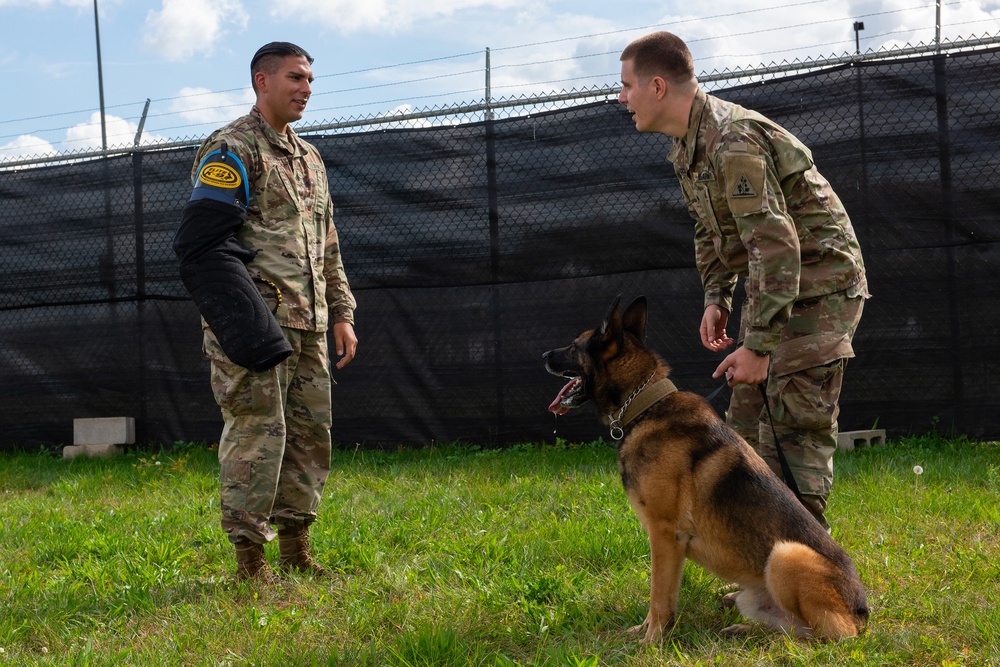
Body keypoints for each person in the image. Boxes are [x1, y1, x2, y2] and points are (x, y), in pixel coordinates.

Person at [618, 32, 869, 530]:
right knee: (748, 434)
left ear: (659, 86)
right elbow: (713, 232)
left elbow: (778, 245)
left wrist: (759, 346)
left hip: (820, 288)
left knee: (793, 432)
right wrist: (717, 297)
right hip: (776, 285)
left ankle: (804, 583)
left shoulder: (734, 140)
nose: (621, 98)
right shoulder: (688, 147)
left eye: (627, 86)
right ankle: (767, 575)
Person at [175, 41, 358, 583]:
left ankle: (296, 549)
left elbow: (327, 244)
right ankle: (250, 562)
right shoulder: (232, 149)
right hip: (259, 329)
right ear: (262, 81)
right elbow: (202, 244)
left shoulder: (310, 158)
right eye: (295, 78)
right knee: (258, 435)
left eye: (309, 80)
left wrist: (342, 312)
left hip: (311, 325)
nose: (305, 88)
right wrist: (242, 326)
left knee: (309, 434)